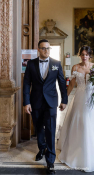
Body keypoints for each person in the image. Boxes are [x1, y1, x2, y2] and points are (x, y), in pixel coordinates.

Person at [57, 45, 94, 172]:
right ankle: (77, 150)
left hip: (92, 99)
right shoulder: (75, 67)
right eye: (82, 54)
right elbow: (72, 84)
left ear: (90, 55)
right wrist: (64, 100)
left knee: (93, 123)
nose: (84, 57)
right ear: (80, 55)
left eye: (86, 55)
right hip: (79, 98)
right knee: (80, 122)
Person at [23, 39, 68, 174]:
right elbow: (26, 84)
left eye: (48, 48)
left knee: (50, 129)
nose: (46, 50)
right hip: (35, 101)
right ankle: (42, 148)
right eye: (43, 48)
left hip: (51, 102)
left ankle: (50, 162)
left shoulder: (56, 64)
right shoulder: (31, 64)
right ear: (38, 50)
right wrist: (26, 102)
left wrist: (64, 100)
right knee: (38, 128)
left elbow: (61, 83)